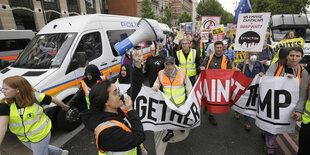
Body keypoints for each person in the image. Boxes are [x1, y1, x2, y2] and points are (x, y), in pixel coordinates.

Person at [81, 50, 146, 155]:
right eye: (116, 93)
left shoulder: (114, 108)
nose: (120, 95)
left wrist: (138, 65)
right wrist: (131, 111)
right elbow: (139, 137)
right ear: (105, 101)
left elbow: (135, 86)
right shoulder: (107, 131)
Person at [0, 76, 70, 155]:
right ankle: (61, 152)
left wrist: (64, 106)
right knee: (41, 148)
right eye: (2, 88)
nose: (3, 91)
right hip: (23, 138)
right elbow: (2, 126)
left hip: (40, 135)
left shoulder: (36, 97)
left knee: (39, 151)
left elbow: (52, 99)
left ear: (17, 89)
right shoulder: (5, 104)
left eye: (6, 89)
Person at [265, 47, 308, 155]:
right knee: (272, 125)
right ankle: (270, 146)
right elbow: (266, 80)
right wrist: (283, 78)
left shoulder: (303, 72)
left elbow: (303, 94)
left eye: (297, 56)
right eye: (292, 55)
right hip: (273, 102)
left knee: (281, 125)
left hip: (289, 105)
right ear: (287, 56)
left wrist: (299, 110)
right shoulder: (276, 66)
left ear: (301, 58)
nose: (294, 58)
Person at [152, 56, 193, 142]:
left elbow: (189, 87)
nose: (169, 66)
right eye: (167, 64)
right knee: (168, 118)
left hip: (180, 102)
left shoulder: (182, 72)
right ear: (164, 65)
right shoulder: (161, 73)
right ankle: (170, 132)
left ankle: (181, 126)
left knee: (180, 116)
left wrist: (190, 101)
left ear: (174, 64)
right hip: (168, 102)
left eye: (171, 64)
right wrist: (155, 86)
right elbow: (157, 82)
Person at [200, 40, 233, 126]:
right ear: (214, 48)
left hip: (220, 85)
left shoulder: (226, 59)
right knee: (209, 97)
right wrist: (202, 67)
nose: (218, 49)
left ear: (223, 48)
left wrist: (235, 71)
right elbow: (202, 65)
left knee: (215, 100)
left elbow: (230, 71)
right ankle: (208, 106)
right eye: (217, 47)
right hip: (210, 84)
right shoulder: (209, 57)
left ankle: (211, 115)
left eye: (220, 48)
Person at [234, 52, 265, 131]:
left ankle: (247, 121)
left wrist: (262, 74)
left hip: (253, 88)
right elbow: (237, 73)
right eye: (252, 54)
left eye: (256, 54)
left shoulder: (259, 64)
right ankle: (237, 111)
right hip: (243, 86)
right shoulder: (242, 64)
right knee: (240, 100)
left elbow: (263, 73)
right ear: (248, 55)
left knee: (249, 103)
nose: (254, 56)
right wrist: (237, 70)